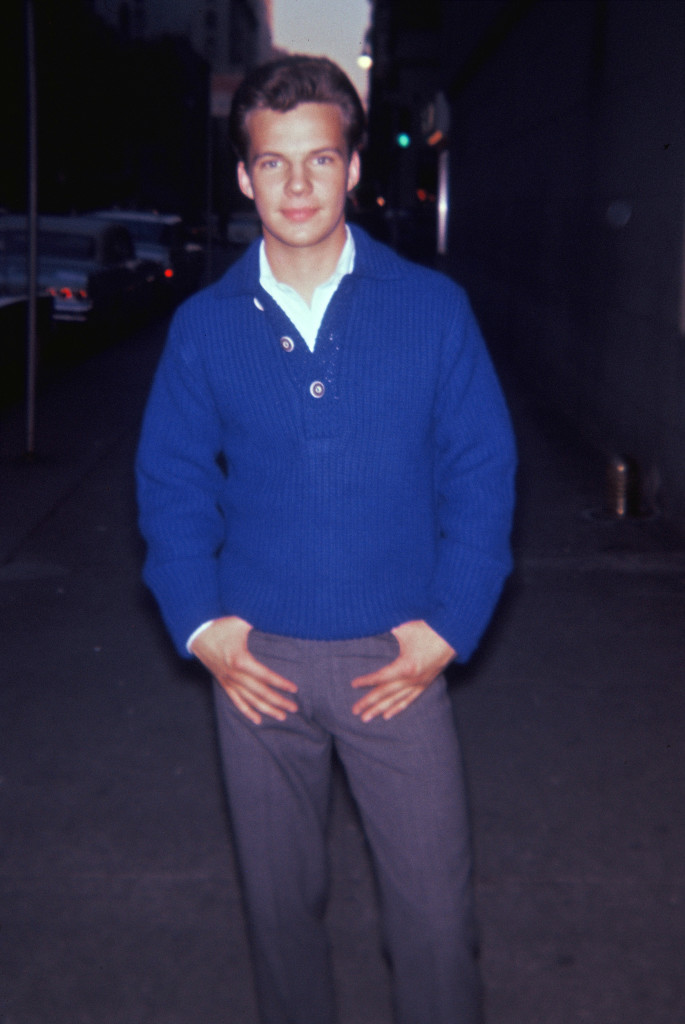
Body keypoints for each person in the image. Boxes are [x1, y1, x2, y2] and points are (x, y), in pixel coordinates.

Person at [136, 54, 516, 1024]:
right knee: (279, 911)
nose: (296, 185)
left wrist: (447, 624)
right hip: (253, 662)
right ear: (243, 174)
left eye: (318, 161)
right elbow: (172, 481)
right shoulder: (203, 326)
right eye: (273, 163)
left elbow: (480, 469)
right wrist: (201, 624)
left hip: (395, 659)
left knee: (433, 918)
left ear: (352, 170)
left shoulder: (431, 311)